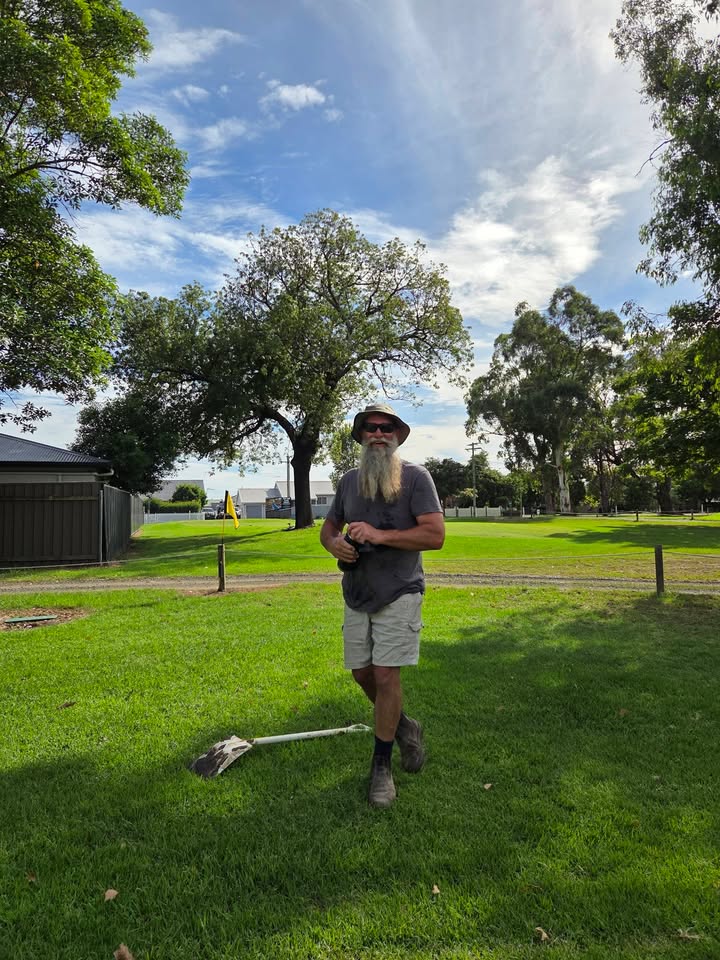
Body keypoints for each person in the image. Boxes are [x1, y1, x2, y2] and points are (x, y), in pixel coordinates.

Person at [320, 403, 445, 808]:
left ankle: (381, 767)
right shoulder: (348, 482)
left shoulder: (415, 478)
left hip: (401, 589)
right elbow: (328, 528)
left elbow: (434, 535)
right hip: (357, 591)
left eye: (386, 427)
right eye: (370, 428)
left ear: (397, 435)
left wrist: (379, 534)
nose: (378, 433)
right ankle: (406, 726)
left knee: (386, 673)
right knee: (362, 674)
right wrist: (335, 544)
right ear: (360, 438)